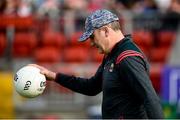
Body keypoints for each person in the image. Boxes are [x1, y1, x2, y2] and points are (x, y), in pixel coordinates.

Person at [29, 9, 164, 119]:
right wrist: (54, 76)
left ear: (105, 31)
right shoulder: (112, 55)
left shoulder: (127, 57)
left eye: (92, 37)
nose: (92, 43)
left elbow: (150, 98)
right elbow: (91, 87)